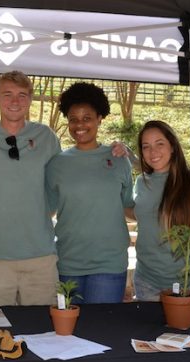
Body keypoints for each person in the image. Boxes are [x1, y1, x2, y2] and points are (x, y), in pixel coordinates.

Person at [0, 71, 61, 306]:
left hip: (40, 258)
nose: (15, 101)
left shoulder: (46, 137)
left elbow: (58, 182)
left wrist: (41, 211)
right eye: (7, 94)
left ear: (30, 99)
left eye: (22, 95)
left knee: (44, 334)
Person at [46, 82, 134, 303]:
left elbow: (129, 206)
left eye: (87, 118)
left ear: (99, 118)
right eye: (73, 119)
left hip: (109, 262)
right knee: (69, 334)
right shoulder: (57, 163)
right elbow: (46, 211)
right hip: (69, 261)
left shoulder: (118, 158)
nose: (80, 125)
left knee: (102, 331)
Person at [127, 120, 190, 301]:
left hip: (186, 283)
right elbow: (142, 214)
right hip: (146, 280)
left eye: (160, 144)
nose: (153, 152)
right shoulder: (142, 182)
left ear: (172, 146)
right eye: (146, 146)